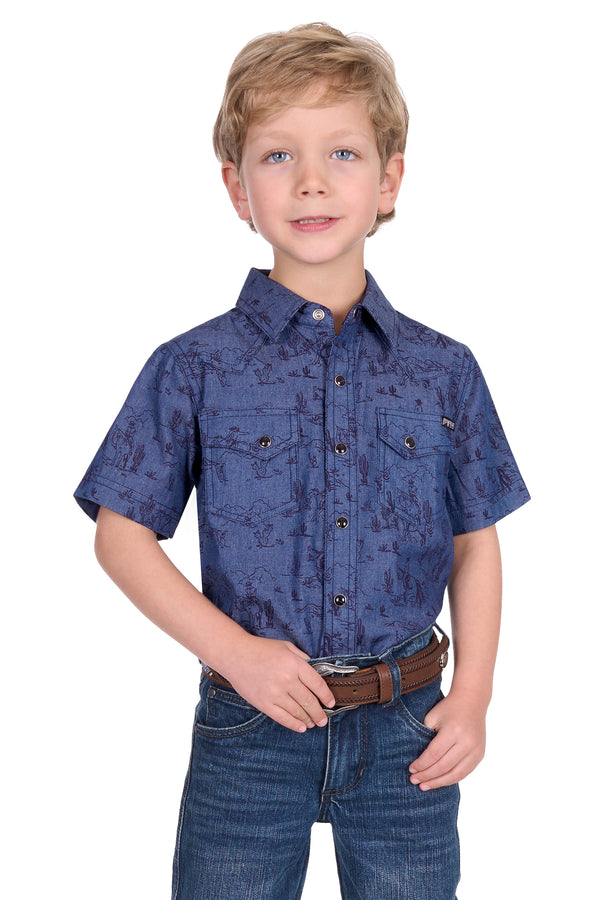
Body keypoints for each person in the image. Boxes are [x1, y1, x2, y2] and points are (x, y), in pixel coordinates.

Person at [74, 22, 530, 900]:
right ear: (237, 188)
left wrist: (472, 694)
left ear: (389, 179)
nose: (312, 180)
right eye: (278, 155)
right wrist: (237, 654)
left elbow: (475, 539)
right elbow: (119, 535)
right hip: (250, 729)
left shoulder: (443, 369)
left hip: (409, 730)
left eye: (343, 153)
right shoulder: (194, 366)